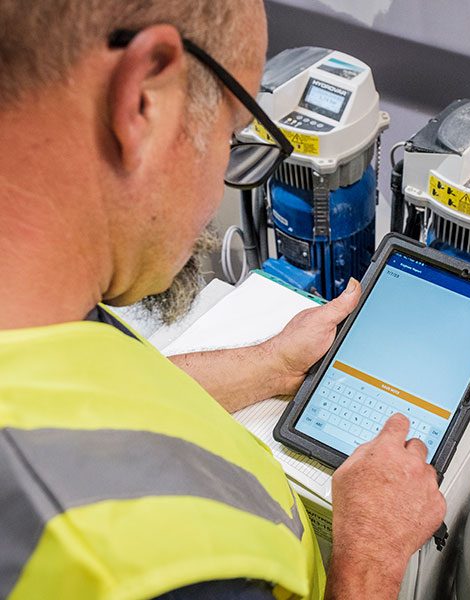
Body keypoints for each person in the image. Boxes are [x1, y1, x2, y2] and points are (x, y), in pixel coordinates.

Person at [0, 1, 446, 598]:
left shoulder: (39, 305)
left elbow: (87, 405)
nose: (220, 185)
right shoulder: (150, 577)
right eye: (232, 135)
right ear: (143, 100)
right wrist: (369, 557)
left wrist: (271, 365)